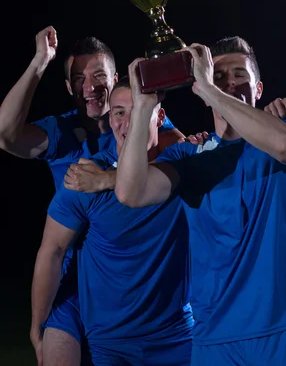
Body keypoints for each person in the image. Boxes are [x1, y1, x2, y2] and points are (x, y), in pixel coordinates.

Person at [115, 37, 286, 366]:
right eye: (219, 74)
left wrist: (212, 90)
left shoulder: (280, 135)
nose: (229, 82)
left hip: (283, 328)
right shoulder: (188, 155)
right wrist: (143, 107)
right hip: (214, 338)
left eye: (240, 75)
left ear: (258, 89)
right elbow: (130, 192)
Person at [0, 27, 181, 364]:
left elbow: (182, 162)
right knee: (54, 353)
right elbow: (6, 135)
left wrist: (107, 179)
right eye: (78, 78)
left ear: (115, 78)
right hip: (71, 279)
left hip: (124, 279)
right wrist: (40, 62)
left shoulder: (141, 122)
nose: (90, 87)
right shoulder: (63, 131)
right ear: (68, 87)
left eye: (99, 75)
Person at [32, 76, 193, 366]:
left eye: (140, 110)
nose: (128, 122)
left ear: (160, 118)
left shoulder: (184, 163)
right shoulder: (83, 178)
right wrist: (37, 326)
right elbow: (52, 250)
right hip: (109, 343)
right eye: (119, 112)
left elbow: (236, 150)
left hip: (177, 338)